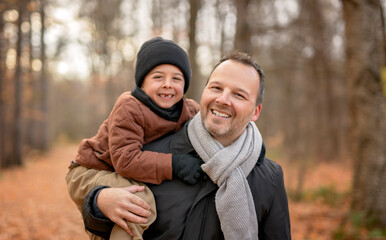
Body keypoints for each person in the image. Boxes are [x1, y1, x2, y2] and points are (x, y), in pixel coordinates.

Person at [67, 51, 292, 239]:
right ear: (203, 93)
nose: (223, 99)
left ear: (256, 112)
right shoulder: (153, 152)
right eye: (216, 88)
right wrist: (97, 203)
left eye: (239, 95)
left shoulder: (270, 177)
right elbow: (108, 228)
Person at [66, 37, 204, 240]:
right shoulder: (129, 107)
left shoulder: (190, 110)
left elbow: (215, 126)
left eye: (176, 79)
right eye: (158, 77)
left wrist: (246, 139)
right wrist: (174, 164)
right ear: (142, 82)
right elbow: (126, 160)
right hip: (91, 171)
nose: (168, 85)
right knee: (138, 200)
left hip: (120, 173)